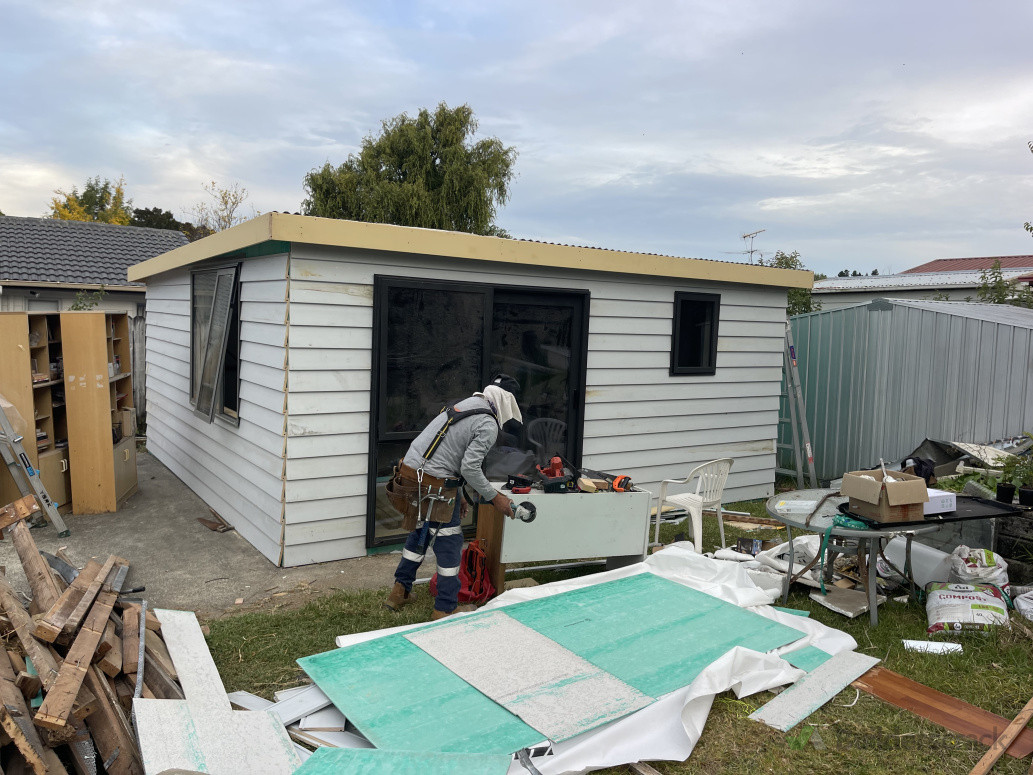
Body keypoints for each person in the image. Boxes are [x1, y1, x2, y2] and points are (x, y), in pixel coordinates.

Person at [384, 374, 523, 620]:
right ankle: (445, 608)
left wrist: (458, 494)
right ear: (507, 402)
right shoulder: (488, 424)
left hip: (411, 475)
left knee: (422, 531)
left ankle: (399, 591)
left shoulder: (464, 405)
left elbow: (447, 455)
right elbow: (469, 469)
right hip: (434, 484)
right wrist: (496, 498)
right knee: (449, 541)